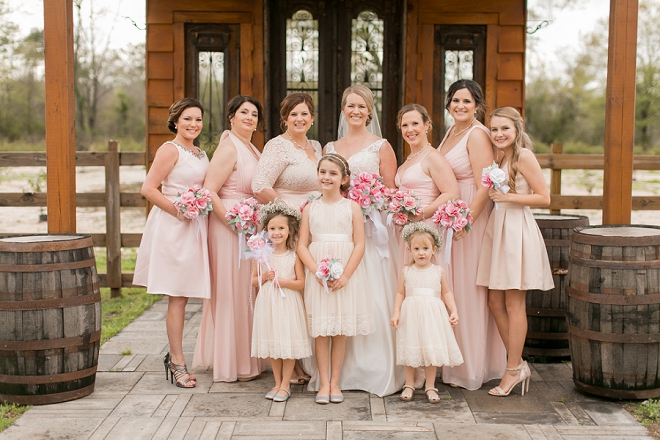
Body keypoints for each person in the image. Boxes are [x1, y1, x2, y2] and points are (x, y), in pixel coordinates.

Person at [323, 84, 404, 397]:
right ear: (343, 110)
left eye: (361, 106)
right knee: (341, 295)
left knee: (372, 292)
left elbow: (391, 189)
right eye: (350, 106)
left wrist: (370, 199)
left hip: (371, 230)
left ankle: (375, 367)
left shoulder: (381, 146)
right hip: (339, 230)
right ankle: (338, 371)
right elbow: (326, 183)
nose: (355, 111)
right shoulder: (332, 144)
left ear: (370, 111)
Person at [476, 107, 554, 397]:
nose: (498, 134)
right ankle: (518, 363)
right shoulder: (501, 158)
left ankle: (511, 371)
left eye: (504, 129)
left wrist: (509, 197)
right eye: (494, 129)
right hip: (499, 226)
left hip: (516, 229)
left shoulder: (523, 156)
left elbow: (544, 198)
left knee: (513, 303)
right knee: (494, 302)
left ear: (517, 129)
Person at [134, 98, 210, 388]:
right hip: (174, 226)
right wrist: (179, 210)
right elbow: (148, 188)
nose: (193, 124)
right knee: (177, 297)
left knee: (188, 295)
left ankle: (177, 356)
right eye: (188, 119)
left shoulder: (201, 153)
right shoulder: (170, 149)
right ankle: (177, 361)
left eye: (198, 119)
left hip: (196, 226)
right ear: (176, 121)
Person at [437, 80, 506, 390]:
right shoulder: (452, 132)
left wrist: (468, 220)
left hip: (469, 218)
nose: (459, 106)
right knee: (452, 286)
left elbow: (484, 185)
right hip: (449, 217)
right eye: (455, 100)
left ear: (477, 105)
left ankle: (471, 366)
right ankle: (450, 358)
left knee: (467, 288)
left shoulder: (477, 135)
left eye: (466, 101)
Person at [192, 95, 265, 382]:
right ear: (231, 117)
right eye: (244, 112)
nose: (250, 117)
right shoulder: (228, 147)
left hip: (249, 226)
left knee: (247, 292)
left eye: (254, 114)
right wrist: (232, 222)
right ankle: (231, 362)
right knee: (231, 292)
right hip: (228, 228)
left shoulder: (252, 148)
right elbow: (210, 190)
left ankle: (249, 357)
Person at [252, 92, 322, 384]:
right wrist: (289, 213)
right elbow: (259, 184)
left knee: (306, 294)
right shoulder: (277, 146)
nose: (299, 119)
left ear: (312, 118)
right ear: (285, 118)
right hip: (287, 228)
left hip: (313, 225)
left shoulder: (316, 146)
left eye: (304, 113)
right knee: (287, 295)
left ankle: (300, 359)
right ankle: (289, 368)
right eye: (293, 114)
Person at [297, 153, 375, 404]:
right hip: (318, 274)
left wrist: (346, 275)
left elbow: (360, 244)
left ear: (344, 179)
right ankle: (322, 382)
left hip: (345, 273)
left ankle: (335, 382)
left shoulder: (352, 207)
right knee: (321, 329)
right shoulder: (310, 208)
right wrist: (316, 273)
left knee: (339, 328)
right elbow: (302, 246)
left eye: (333, 173)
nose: (326, 177)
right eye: (323, 172)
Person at [390, 222, 463, 403]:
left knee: (431, 350)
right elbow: (400, 293)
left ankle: (430, 386)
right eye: (416, 248)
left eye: (425, 248)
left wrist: (453, 310)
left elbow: (446, 292)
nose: (421, 252)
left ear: (434, 249)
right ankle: (409, 384)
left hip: (432, 316)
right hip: (411, 315)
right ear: (409, 249)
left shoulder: (438, 271)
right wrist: (396, 312)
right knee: (410, 349)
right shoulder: (406, 271)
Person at [250, 200, 311, 403]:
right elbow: (253, 280)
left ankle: (286, 384)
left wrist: (284, 282)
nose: (276, 232)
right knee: (274, 343)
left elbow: (301, 283)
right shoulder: (261, 255)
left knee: (288, 343)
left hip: (288, 304)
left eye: (281, 228)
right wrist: (265, 277)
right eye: (272, 228)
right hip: (268, 303)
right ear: (266, 231)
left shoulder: (294, 256)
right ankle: (276, 382)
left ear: (289, 230)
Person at [395, 103, 459, 266]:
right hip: (407, 230)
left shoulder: (432, 157)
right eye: (405, 125)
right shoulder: (406, 161)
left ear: (426, 125)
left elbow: (451, 193)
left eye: (415, 124)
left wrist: (421, 214)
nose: (410, 130)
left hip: (426, 229)